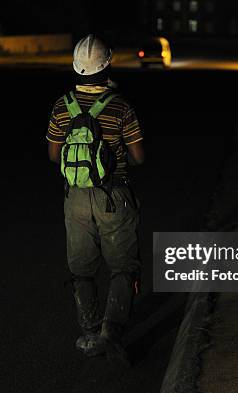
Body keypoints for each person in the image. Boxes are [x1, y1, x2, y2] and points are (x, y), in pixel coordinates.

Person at [46, 34, 145, 358]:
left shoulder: (63, 106)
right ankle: (110, 331)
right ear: (108, 65)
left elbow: (52, 154)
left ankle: (88, 331)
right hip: (113, 196)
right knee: (122, 267)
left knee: (82, 270)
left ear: (76, 68)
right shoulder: (121, 107)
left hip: (75, 197)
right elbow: (139, 156)